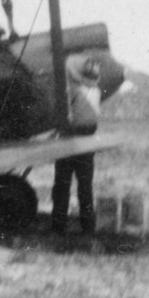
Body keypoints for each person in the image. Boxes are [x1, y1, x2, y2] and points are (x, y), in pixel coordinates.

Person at [51, 55, 101, 237]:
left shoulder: (71, 89)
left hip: (71, 140)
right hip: (88, 141)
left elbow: (64, 115)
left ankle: (58, 226)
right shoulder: (94, 89)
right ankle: (88, 227)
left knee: (62, 185)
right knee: (85, 187)